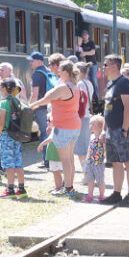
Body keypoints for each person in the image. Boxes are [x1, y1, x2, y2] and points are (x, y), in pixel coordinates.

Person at [30, 60, 80, 198]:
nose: (58, 73)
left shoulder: (62, 87)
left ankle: (68, 188)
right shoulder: (75, 86)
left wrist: (31, 106)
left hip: (63, 126)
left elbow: (46, 99)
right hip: (74, 125)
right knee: (69, 158)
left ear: (65, 72)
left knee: (65, 160)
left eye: (60, 71)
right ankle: (70, 187)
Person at [99, 54, 129, 207]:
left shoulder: (123, 83)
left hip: (121, 130)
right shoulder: (110, 84)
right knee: (115, 162)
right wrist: (104, 130)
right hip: (110, 130)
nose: (104, 67)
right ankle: (116, 193)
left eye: (106, 64)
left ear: (114, 66)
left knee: (128, 161)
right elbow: (107, 109)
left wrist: (124, 129)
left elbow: (128, 108)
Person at [0, 78, 27, 199]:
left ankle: (10, 190)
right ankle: (22, 189)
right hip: (17, 136)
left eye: (0, 87)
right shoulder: (18, 101)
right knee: (18, 162)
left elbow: (2, 122)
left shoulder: (3, 103)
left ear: (4, 88)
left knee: (9, 164)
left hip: (7, 136)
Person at [28, 51, 54, 168]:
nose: (30, 63)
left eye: (32, 61)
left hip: (41, 107)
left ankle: (47, 161)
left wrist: (30, 107)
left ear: (39, 61)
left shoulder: (36, 75)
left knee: (44, 134)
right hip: (50, 106)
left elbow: (34, 94)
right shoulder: (48, 72)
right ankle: (51, 160)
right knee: (50, 132)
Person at [73, 62, 94, 171]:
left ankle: (87, 174)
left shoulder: (80, 84)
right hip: (87, 116)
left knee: (81, 150)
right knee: (86, 148)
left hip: (81, 117)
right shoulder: (89, 83)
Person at [83, 115, 106, 202]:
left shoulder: (102, 137)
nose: (90, 126)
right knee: (90, 180)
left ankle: (101, 195)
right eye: (90, 124)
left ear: (100, 125)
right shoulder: (91, 136)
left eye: (93, 124)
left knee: (100, 180)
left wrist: (106, 157)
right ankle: (90, 195)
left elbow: (105, 148)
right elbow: (89, 149)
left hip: (98, 163)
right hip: (90, 162)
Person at [79, 30, 99, 99]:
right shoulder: (81, 44)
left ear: (88, 36)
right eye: (83, 35)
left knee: (93, 79)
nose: (84, 36)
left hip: (92, 64)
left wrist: (85, 53)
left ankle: (96, 96)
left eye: (85, 35)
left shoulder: (91, 43)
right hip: (84, 65)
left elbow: (93, 52)